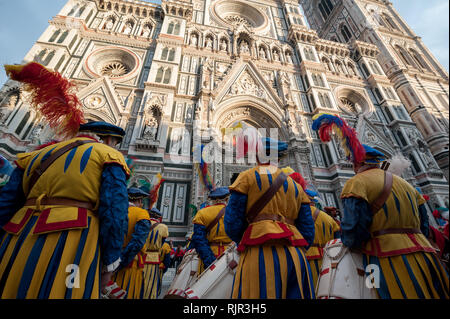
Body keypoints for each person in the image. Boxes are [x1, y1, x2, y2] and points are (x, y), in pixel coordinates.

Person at [0, 62, 130, 299]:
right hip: (73, 238)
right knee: (66, 290)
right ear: (109, 140)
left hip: (17, 239)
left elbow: (6, 203)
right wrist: (110, 261)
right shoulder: (109, 156)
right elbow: (114, 211)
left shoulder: (33, 156)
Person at [312, 113, 449, 299]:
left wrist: (351, 244)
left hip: (382, 257)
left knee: (382, 292)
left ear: (357, 162)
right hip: (424, 256)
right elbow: (424, 224)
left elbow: (354, 228)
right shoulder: (407, 186)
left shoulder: (357, 184)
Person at [224, 136, 315, 299]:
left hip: (259, 252)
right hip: (295, 254)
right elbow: (307, 229)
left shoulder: (247, 177)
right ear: (279, 157)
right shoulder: (296, 186)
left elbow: (232, 223)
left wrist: (246, 240)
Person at [113, 188, 151, 299]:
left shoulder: (115, 210)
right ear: (139, 201)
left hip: (110, 261)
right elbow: (137, 242)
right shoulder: (142, 213)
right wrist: (122, 261)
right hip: (130, 263)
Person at [303, 189, 340, 288]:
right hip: (328, 257)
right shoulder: (329, 219)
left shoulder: (298, 215)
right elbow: (338, 240)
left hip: (306, 257)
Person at [191, 187, 233, 273]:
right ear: (227, 199)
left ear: (212, 200)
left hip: (210, 252)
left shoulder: (202, 213)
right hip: (230, 255)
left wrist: (210, 261)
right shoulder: (233, 212)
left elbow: (199, 240)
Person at [143, 207, 169, 299]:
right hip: (153, 258)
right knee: (151, 282)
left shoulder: (142, 223)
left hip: (140, 257)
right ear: (158, 217)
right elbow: (162, 242)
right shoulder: (163, 227)